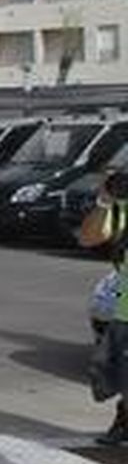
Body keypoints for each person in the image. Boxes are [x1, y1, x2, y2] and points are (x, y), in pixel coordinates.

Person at [80, 167, 128, 444]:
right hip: (125, 311)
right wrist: (104, 200)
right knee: (118, 376)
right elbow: (88, 237)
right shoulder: (121, 205)